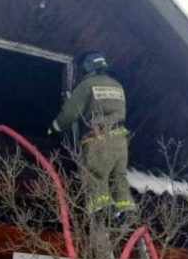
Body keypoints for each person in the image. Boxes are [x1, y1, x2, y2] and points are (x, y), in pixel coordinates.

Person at [48, 50, 137, 220]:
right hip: (120, 139)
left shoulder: (87, 85)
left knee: (95, 175)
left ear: (87, 66)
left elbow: (70, 113)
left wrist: (55, 127)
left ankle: (100, 210)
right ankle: (125, 210)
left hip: (99, 138)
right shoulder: (117, 86)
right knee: (118, 176)